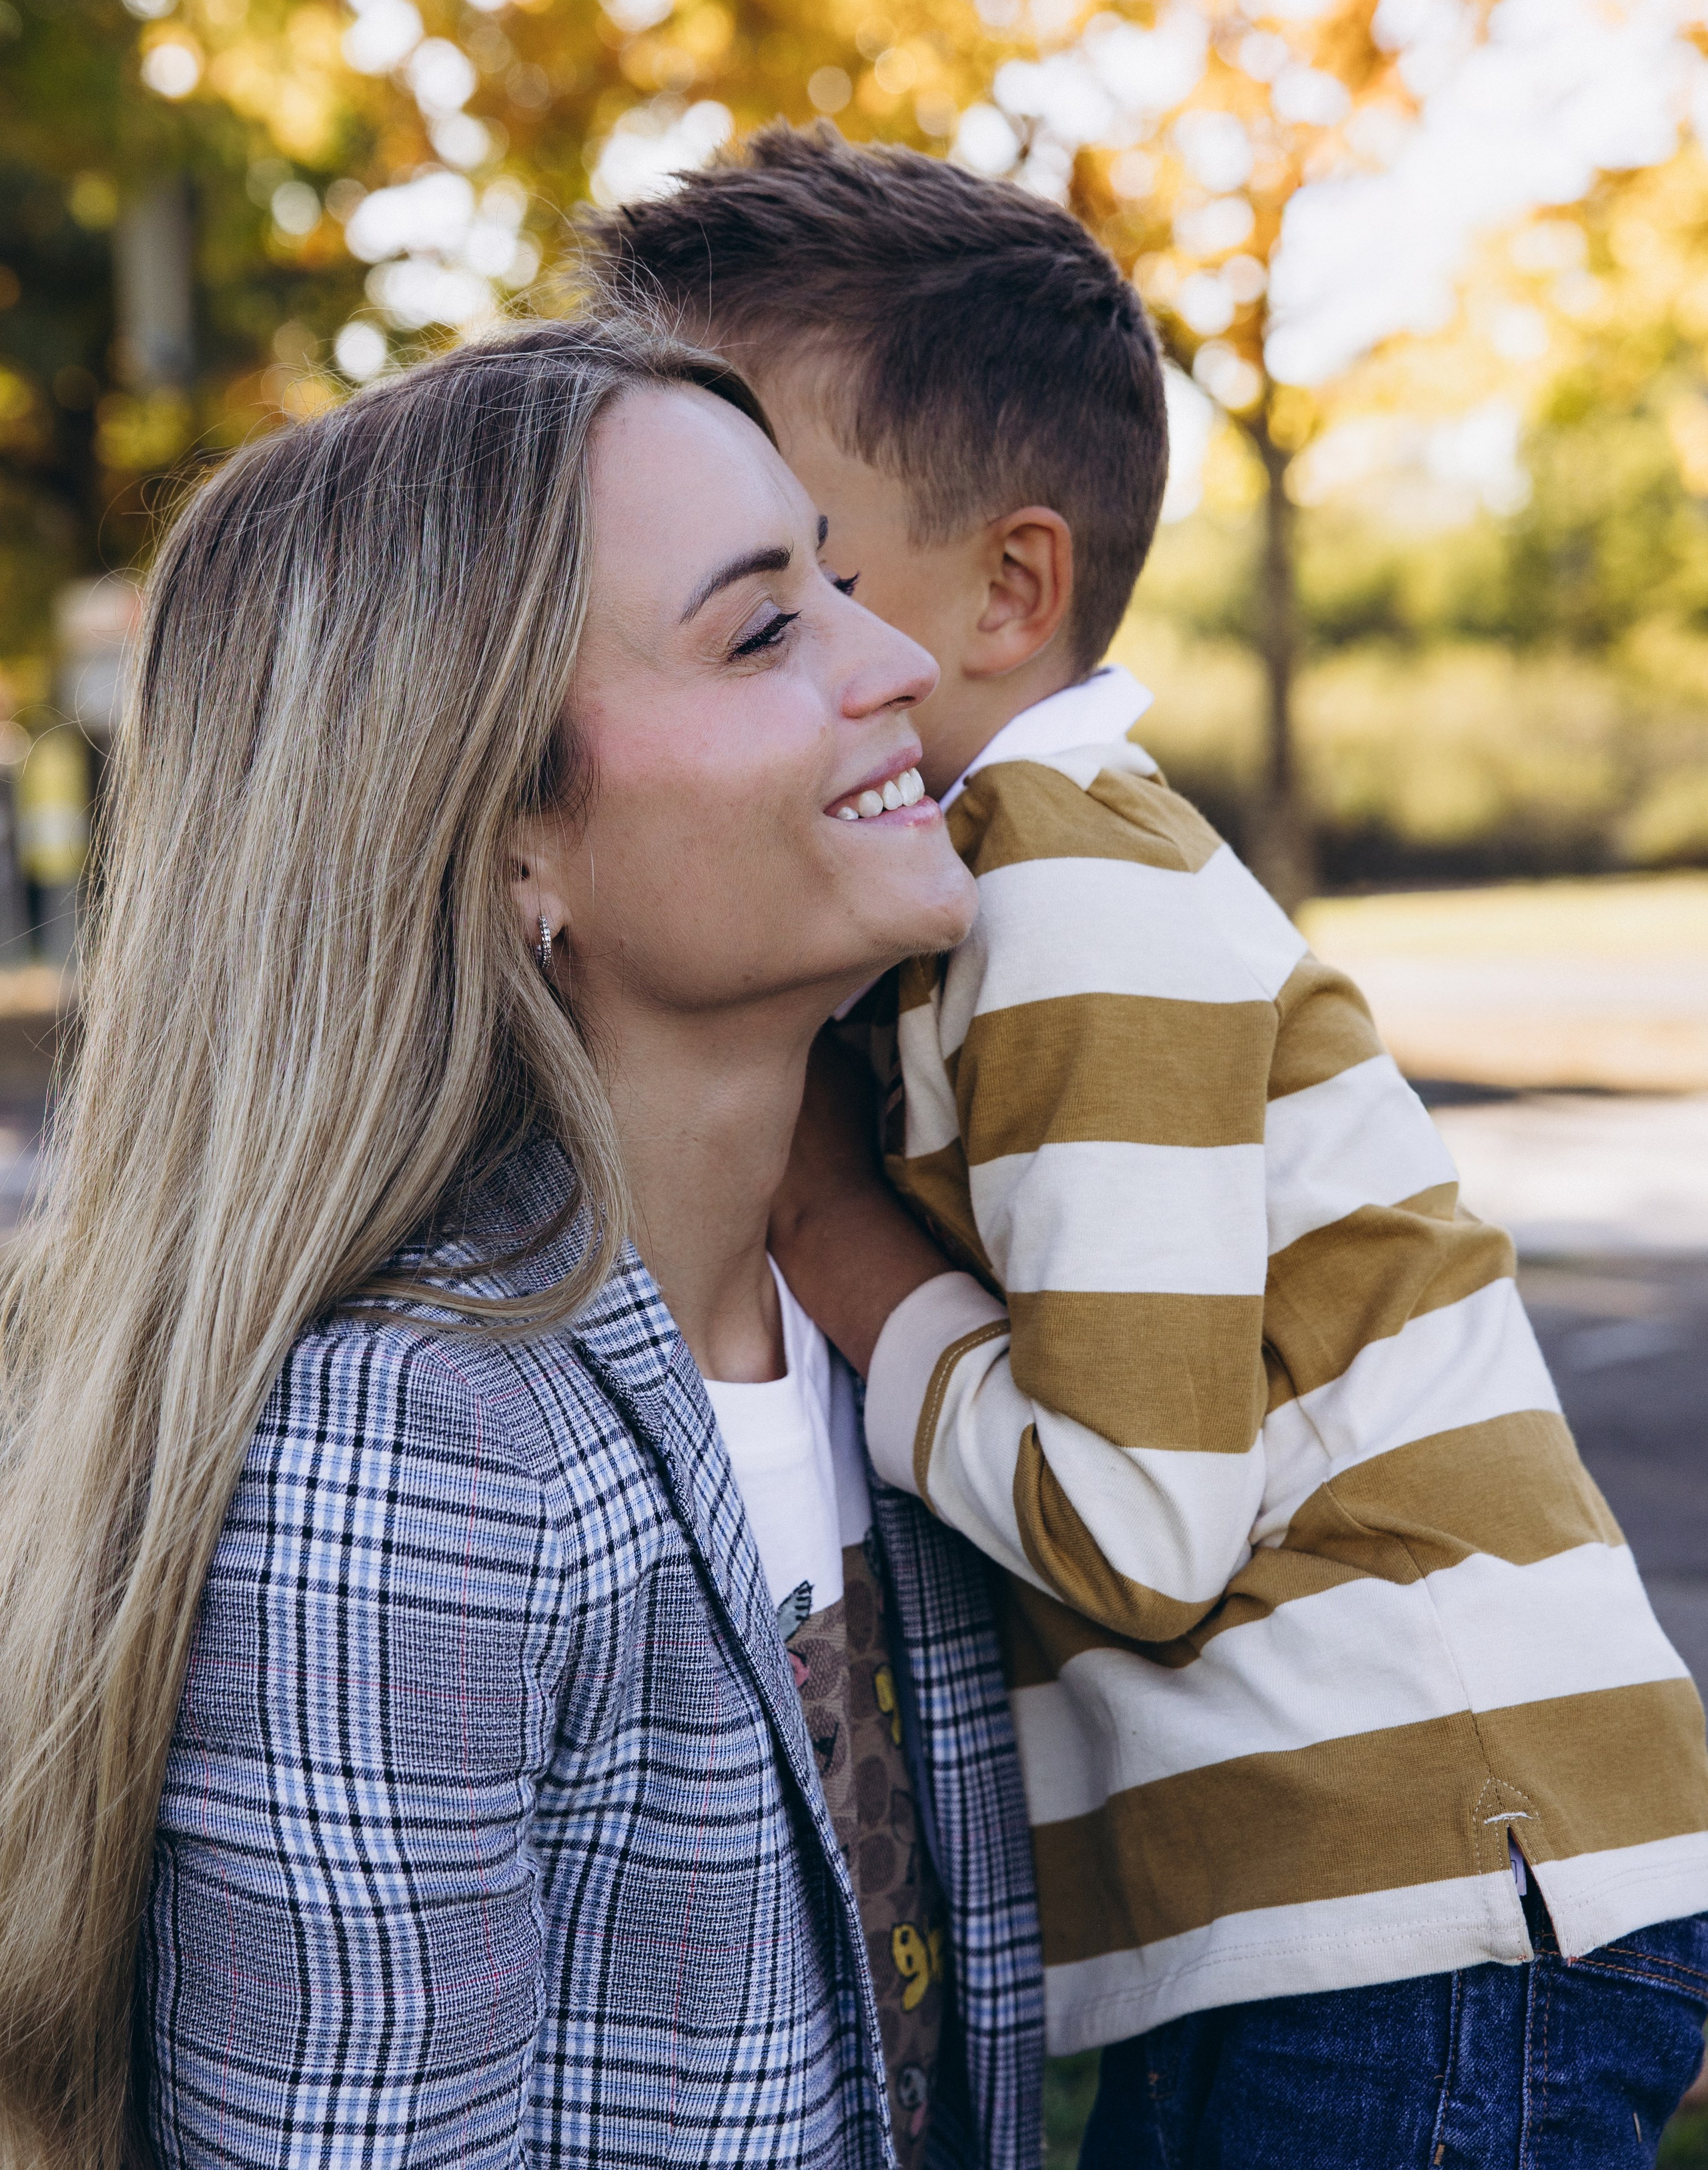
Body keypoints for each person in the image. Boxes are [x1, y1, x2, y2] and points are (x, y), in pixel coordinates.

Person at [589, 127, 1708, 2167]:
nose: (804, 645)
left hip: (1420, 1899)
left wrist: (836, 1237)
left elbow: (1143, 1522)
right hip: (1317, 1908)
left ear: (1010, 588)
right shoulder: (990, 915)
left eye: (807, 578)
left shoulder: (1070, 900)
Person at [0, 316, 1043, 2170]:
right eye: (764, 626)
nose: (900, 664)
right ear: (503, 841)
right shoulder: (420, 1452)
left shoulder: (920, 1323)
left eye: (847, 580)